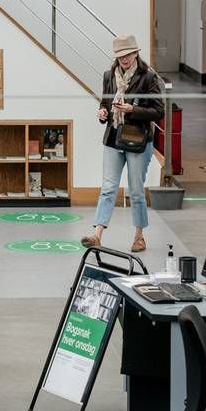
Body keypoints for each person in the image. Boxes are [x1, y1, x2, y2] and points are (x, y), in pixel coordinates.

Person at [81, 35, 162, 253]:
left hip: (138, 140)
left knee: (135, 190)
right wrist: (102, 113)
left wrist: (132, 110)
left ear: (136, 53)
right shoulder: (109, 76)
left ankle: (139, 236)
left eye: (128, 54)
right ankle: (97, 234)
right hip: (113, 137)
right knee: (108, 188)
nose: (124, 59)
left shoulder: (148, 77)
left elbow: (158, 111)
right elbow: (105, 104)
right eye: (120, 55)